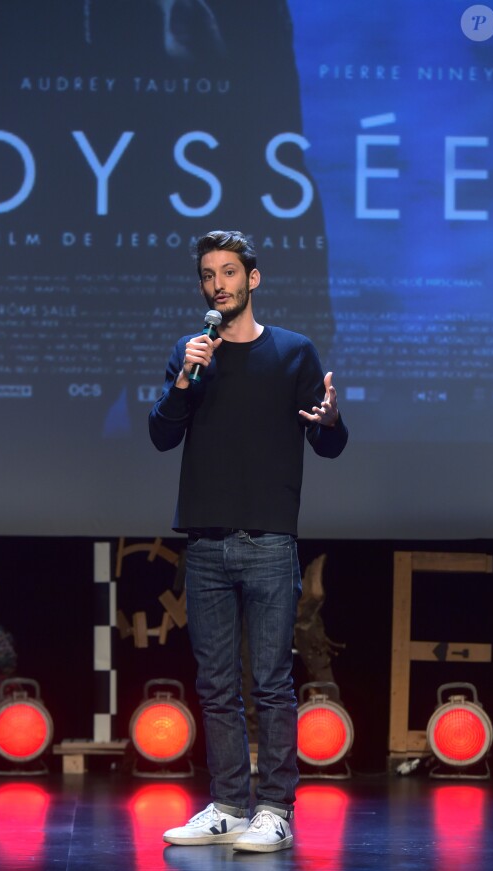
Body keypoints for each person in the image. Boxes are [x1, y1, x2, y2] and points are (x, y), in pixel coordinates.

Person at [148, 229, 348, 853]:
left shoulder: (293, 353)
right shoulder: (192, 354)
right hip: (205, 543)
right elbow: (160, 436)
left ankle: (277, 809)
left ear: (252, 280)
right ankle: (230, 804)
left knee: (269, 681)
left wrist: (332, 419)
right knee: (215, 685)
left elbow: (330, 443)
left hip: (267, 542)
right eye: (208, 275)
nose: (218, 284)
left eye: (229, 273)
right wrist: (185, 379)